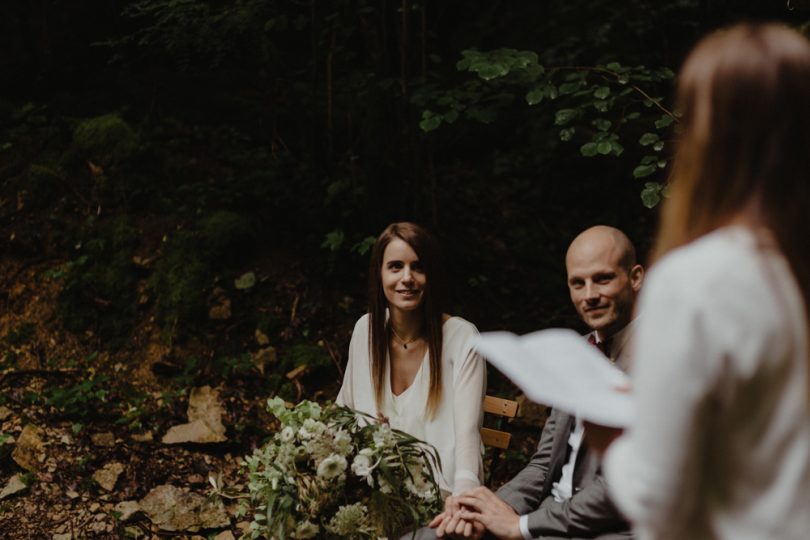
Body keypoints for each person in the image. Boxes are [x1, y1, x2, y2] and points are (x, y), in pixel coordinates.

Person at [591, 22, 810, 540]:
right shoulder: (791, 269)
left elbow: (657, 497)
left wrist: (613, 440)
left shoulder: (698, 281)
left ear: (708, 136)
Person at [418, 225, 643, 540]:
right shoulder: (575, 350)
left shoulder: (665, 360)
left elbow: (623, 486)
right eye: (578, 283)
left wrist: (521, 526)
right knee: (434, 536)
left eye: (602, 279)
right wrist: (486, 511)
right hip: (544, 518)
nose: (589, 295)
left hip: (612, 531)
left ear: (635, 278)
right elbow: (543, 464)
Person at [336, 221, 486, 498]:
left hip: (439, 499)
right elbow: (344, 413)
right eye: (395, 267)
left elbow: (468, 435)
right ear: (379, 275)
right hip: (372, 493)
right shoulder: (364, 331)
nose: (407, 277)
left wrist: (463, 500)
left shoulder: (463, 340)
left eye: (418, 267)